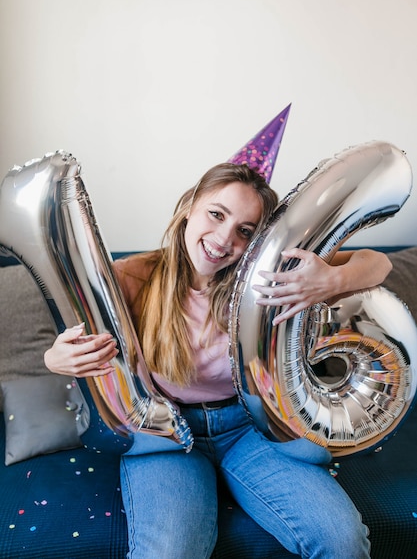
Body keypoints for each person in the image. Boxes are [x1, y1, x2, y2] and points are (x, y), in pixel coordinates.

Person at [44, 162, 392, 559]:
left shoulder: (269, 277)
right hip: (166, 436)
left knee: (342, 540)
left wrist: (331, 280)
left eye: (245, 230)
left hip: (253, 429)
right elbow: (72, 344)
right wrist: (55, 358)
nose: (225, 239)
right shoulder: (131, 276)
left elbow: (378, 263)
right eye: (217, 214)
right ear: (190, 206)